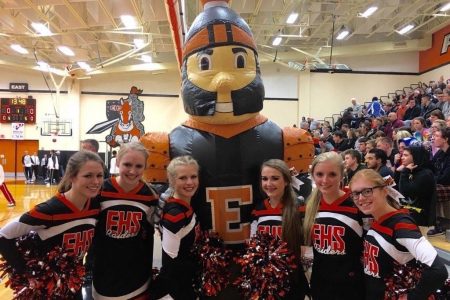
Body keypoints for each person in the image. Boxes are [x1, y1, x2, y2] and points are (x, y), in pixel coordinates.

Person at [0, 151, 104, 298]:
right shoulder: (50, 210)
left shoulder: (94, 206)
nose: (96, 181)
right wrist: (24, 270)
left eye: (99, 175)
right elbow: (4, 235)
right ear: (72, 176)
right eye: (88, 176)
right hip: (47, 289)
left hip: (74, 282)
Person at [349, 169, 448, 300]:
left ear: (384, 191)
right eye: (356, 193)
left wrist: (411, 297)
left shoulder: (401, 224)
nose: (361, 198)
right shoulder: (377, 219)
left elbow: (438, 271)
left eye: (367, 191)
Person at [92, 141, 158, 299]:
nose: (132, 171)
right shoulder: (100, 190)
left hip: (137, 275)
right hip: (103, 272)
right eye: (127, 164)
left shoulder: (151, 196)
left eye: (139, 166)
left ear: (145, 167)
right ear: (117, 162)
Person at [303, 152, 364, 300]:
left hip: (352, 285)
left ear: (342, 175)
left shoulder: (358, 204)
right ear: (312, 175)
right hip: (320, 283)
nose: (325, 180)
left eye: (332, 174)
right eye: (319, 174)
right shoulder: (309, 206)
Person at [250, 159, 309, 299]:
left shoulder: (300, 208)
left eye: (275, 178)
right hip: (265, 280)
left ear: (287, 181)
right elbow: (252, 246)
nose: (268, 184)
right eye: (264, 179)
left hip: (292, 281)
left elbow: (307, 248)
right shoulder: (257, 210)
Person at [152, 155, 200, 299]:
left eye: (193, 176)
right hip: (176, 289)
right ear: (172, 181)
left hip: (185, 282)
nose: (190, 182)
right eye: (182, 178)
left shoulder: (184, 207)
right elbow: (170, 263)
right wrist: (198, 267)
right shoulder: (175, 214)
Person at [397, 145, 437, 227]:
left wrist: (404, 172)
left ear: (415, 156)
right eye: (402, 155)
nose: (402, 157)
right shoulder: (410, 171)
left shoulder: (425, 174)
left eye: (406, 155)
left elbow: (405, 192)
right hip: (408, 213)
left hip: (420, 217)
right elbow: (396, 188)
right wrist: (398, 171)